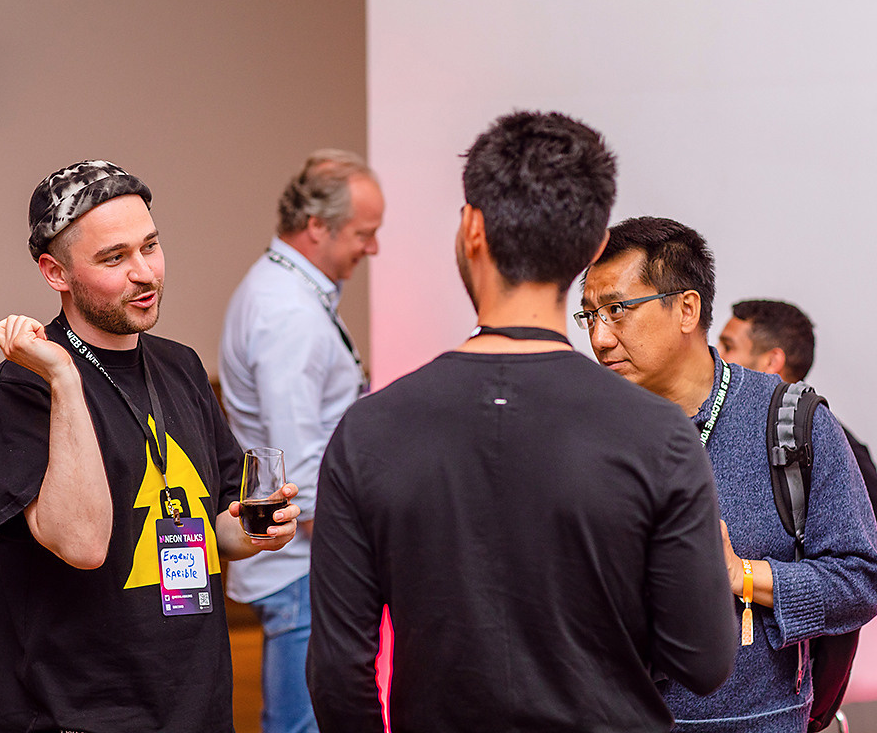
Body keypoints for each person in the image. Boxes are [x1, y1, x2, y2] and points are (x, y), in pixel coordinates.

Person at [308, 112, 738, 732]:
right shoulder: (657, 434)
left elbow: (338, 674)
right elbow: (702, 660)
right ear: (593, 248)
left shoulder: (370, 431)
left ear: (472, 229)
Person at [0, 160, 301, 733]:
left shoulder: (180, 365)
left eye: (150, 246)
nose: (145, 272)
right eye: (114, 258)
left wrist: (258, 530)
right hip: (83, 715)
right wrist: (65, 378)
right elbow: (81, 543)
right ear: (56, 273)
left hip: (196, 706)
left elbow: (214, 529)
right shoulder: (25, 386)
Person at [580, 217, 877, 732]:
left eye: (616, 310)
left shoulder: (790, 421)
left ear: (686, 308)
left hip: (757, 721)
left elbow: (860, 581)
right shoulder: (586, 427)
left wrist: (741, 575)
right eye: (588, 315)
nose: (599, 337)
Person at [219, 149, 383, 733]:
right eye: (365, 234)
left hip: (301, 565)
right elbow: (299, 472)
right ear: (318, 226)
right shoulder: (286, 311)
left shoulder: (286, 293)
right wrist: (362, 557)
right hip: (302, 567)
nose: (373, 248)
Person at [717, 299, 877, 582]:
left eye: (728, 347)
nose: (716, 356)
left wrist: (844, 609)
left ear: (771, 362)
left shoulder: (819, 436)